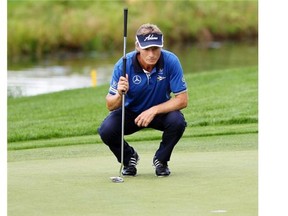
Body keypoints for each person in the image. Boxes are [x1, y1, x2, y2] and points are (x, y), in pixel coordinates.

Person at [98, 23, 188, 177]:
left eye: (156, 48)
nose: (152, 54)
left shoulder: (171, 61)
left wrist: (153, 110)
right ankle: (129, 159)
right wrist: (119, 94)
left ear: (162, 46)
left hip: (159, 113)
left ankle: (161, 160)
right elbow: (110, 105)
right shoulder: (123, 65)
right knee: (106, 130)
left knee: (177, 121)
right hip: (131, 112)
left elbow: (182, 100)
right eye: (147, 49)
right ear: (137, 47)